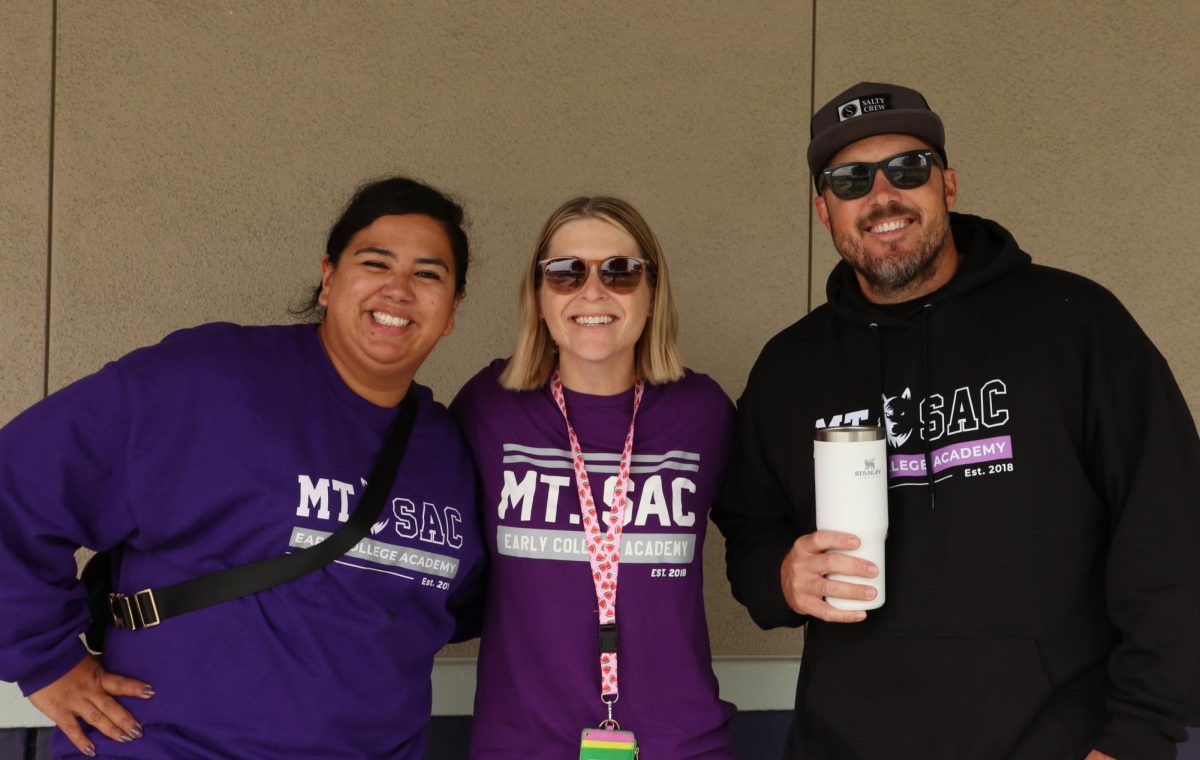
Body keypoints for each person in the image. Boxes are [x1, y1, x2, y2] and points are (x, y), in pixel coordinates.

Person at [711, 81, 1200, 760]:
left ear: (949, 184)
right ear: (824, 210)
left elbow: (1170, 531)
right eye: (851, 179)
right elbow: (750, 528)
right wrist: (780, 578)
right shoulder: (791, 367)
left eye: (907, 169)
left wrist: (1137, 737)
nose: (882, 195)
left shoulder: (1075, 324)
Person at [0, 176, 486, 759]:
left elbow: (461, 608)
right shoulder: (210, 381)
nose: (399, 289)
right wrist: (46, 662)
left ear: (453, 309)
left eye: (429, 274)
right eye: (375, 262)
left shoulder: (449, 452)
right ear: (330, 279)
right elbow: (15, 487)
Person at [451, 196, 736, 758]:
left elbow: (761, 530)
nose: (593, 291)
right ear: (537, 296)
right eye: (566, 272)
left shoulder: (703, 413)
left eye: (621, 271)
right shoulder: (488, 406)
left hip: (680, 742)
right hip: (521, 743)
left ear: (653, 294)